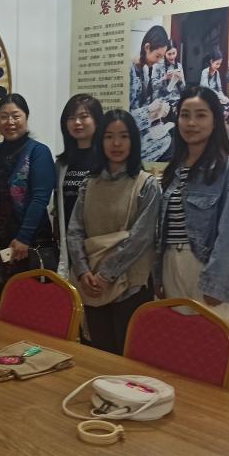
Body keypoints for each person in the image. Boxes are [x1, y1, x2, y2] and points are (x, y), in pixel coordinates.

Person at [67, 109, 160, 354]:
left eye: (124, 136)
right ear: (100, 141)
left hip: (131, 287)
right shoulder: (89, 183)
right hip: (91, 286)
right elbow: (74, 231)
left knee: (130, 359)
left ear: (134, 141)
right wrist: (83, 271)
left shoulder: (147, 185)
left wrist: (105, 275)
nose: (116, 143)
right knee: (97, 354)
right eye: (109, 136)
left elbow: (140, 238)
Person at [156, 86, 229, 329]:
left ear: (215, 121)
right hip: (171, 263)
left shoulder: (228, 168)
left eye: (200, 115)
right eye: (185, 115)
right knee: (178, 339)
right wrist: (159, 273)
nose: (191, 123)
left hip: (205, 265)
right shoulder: (174, 168)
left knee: (214, 340)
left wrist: (216, 281)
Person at [0, 93, 56, 303]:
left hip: (31, 242)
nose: (10, 122)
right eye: (4, 116)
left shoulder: (38, 152)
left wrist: (24, 238)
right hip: (0, 240)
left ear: (26, 117)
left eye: (16, 116)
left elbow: (40, 198)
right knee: (4, 302)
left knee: (32, 304)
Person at [54, 94, 103, 279]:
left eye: (84, 116)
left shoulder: (105, 160)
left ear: (97, 120)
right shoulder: (62, 164)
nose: (77, 122)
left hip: (98, 244)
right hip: (69, 246)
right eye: (71, 118)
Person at [129, 25, 169, 110]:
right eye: (157, 56)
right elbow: (126, 112)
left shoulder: (144, 71)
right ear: (147, 47)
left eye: (161, 57)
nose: (158, 61)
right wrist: (150, 110)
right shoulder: (129, 70)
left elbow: (142, 104)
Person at [150, 39, 185, 110]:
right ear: (164, 53)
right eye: (169, 54)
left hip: (176, 101)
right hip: (161, 103)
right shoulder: (157, 65)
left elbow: (183, 89)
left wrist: (180, 81)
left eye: (174, 53)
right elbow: (153, 86)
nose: (172, 57)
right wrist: (164, 78)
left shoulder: (179, 66)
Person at [200, 47, 229, 119]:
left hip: (215, 96)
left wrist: (223, 98)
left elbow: (219, 89)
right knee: (219, 108)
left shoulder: (217, 73)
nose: (218, 66)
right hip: (205, 96)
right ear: (211, 61)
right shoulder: (205, 72)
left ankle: (220, 123)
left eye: (220, 64)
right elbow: (207, 89)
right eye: (217, 64)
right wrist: (221, 97)